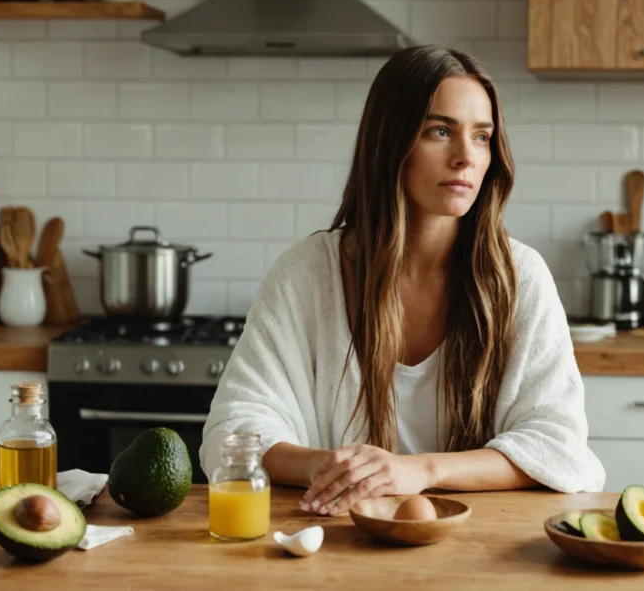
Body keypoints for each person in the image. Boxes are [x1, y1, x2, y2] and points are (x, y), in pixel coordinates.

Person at [200, 45, 605, 516]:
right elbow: (234, 430)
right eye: (439, 131)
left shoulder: (520, 278)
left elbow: (558, 447)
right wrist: (332, 469)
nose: (465, 157)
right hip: (335, 542)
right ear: (391, 142)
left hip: (485, 547)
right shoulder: (308, 273)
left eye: (481, 137)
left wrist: (420, 471)